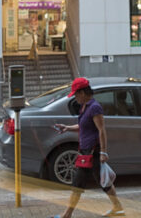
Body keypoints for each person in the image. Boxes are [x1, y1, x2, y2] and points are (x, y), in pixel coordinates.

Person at [52, 78, 124, 218]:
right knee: (104, 182)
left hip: (93, 152)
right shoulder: (84, 106)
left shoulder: (94, 107)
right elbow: (83, 126)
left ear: (83, 92)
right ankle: (118, 208)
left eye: (76, 94)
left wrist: (103, 152)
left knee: (79, 183)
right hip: (86, 151)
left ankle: (67, 215)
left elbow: (101, 130)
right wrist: (67, 128)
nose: (75, 97)